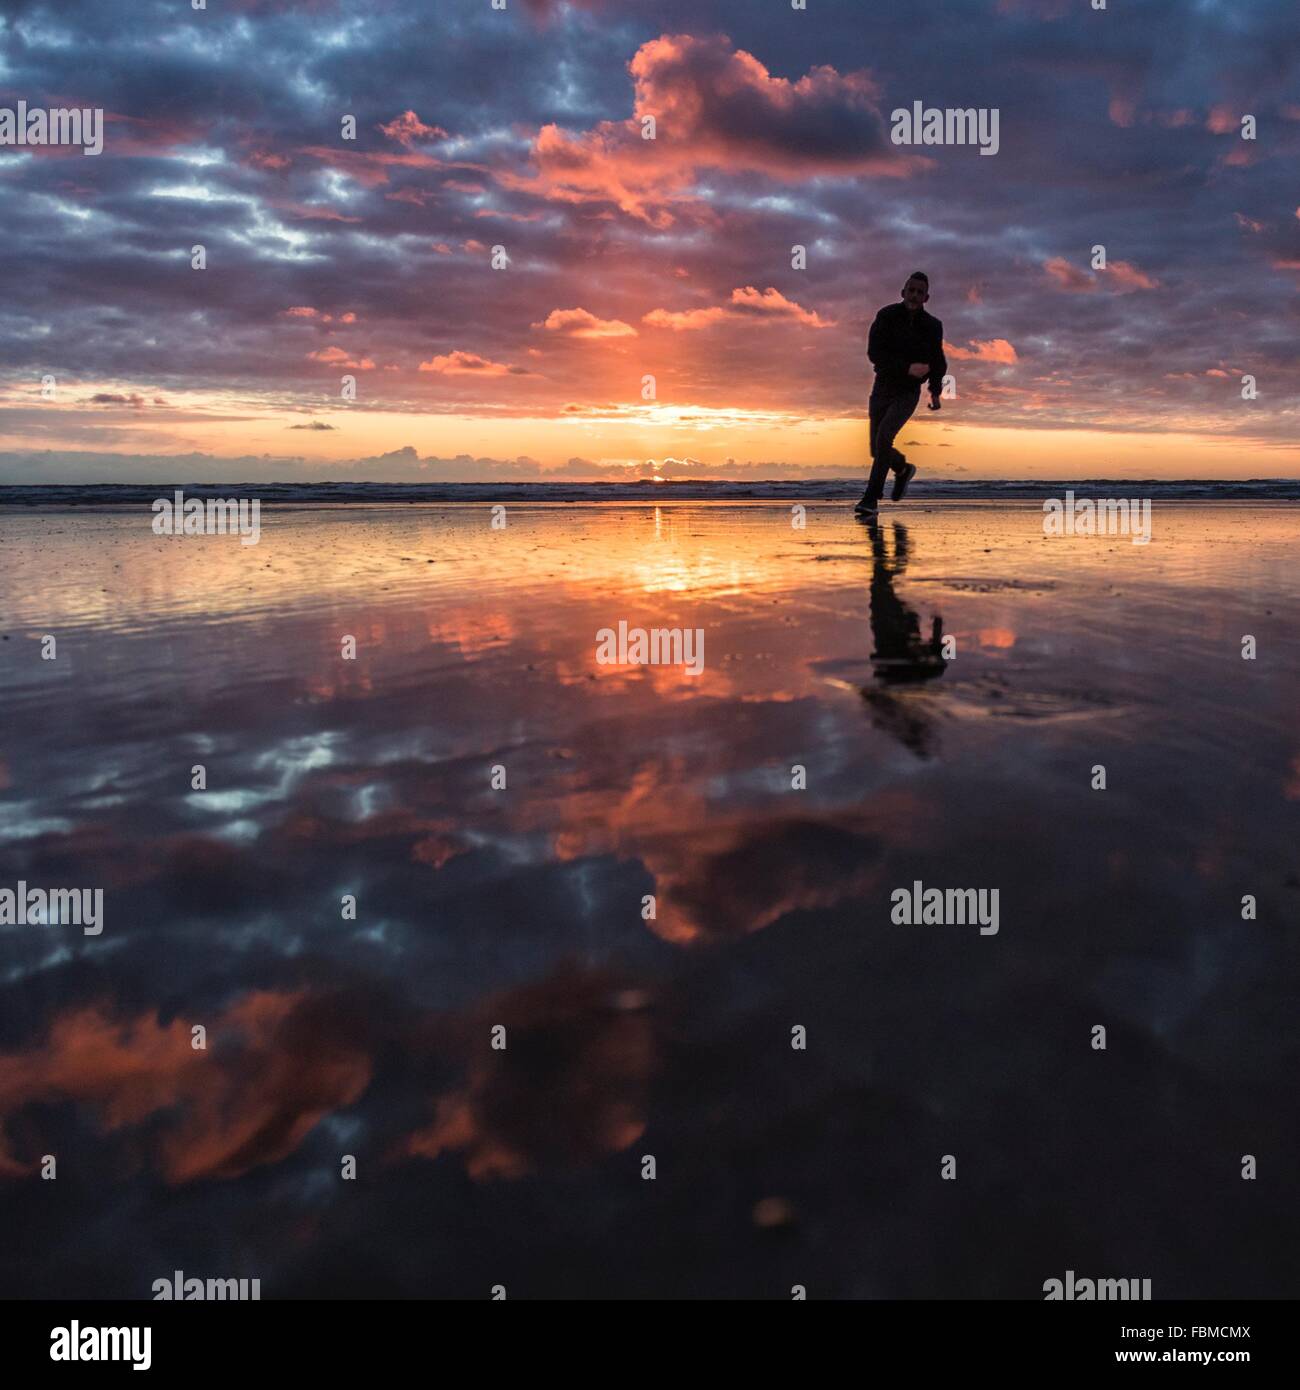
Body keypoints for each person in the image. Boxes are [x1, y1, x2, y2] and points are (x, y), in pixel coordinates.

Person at [855, 272, 947, 515]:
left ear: (926, 297)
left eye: (920, 292)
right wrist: (906, 367)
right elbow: (874, 353)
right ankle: (903, 470)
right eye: (911, 290)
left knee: (884, 438)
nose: (915, 295)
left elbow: (938, 361)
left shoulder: (932, 326)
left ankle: (870, 500)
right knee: (877, 448)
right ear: (902, 292)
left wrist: (935, 391)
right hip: (882, 386)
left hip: (907, 392)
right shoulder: (886, 316)